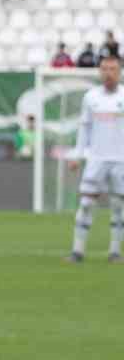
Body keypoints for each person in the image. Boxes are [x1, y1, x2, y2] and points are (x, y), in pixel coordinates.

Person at [67, 52, 124, 262]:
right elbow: (84, 129)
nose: (108, 73)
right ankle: (77, 251)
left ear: (119, 72)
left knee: (119, 207)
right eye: (105, 69)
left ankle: (115, 252)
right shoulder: (91, 97)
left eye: (113, 69)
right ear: (100, 71)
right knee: (86, 203)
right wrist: (77, 154)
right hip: (96, 159)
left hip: (121, 160)